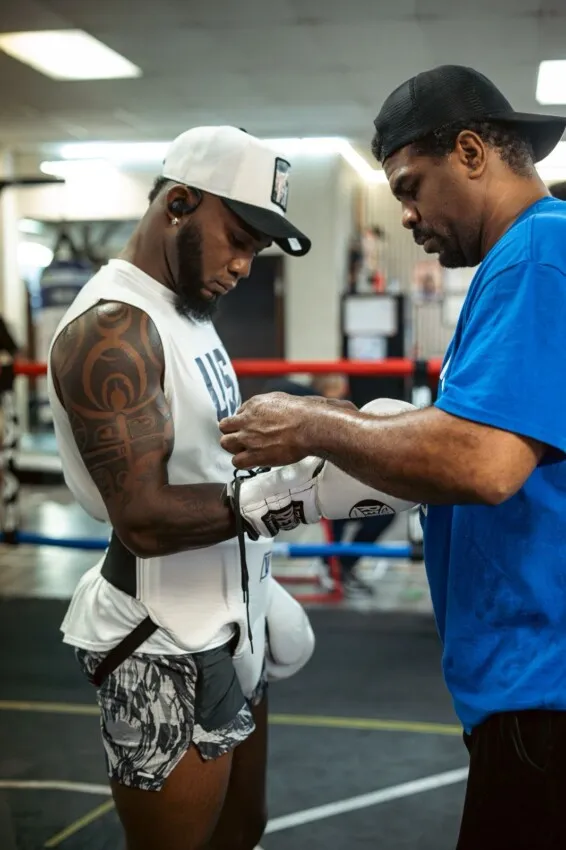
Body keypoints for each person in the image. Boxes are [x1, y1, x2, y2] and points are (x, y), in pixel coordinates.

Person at [218, 66, 566, 849]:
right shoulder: (520, 261)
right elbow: (476, 435)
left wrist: (315, 425)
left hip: (543, 690)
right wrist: (356, 425)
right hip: (525, 684)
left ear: (472, 152)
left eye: (411, 187)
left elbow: (480, 462)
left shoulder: (539, 254)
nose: (404, 214)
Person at [47, 125, 314, 850]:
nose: (243, 264)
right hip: (159, 638)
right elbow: (144, 517)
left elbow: (204, 465)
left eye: (255, 248)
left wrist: (313, 435)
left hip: (232, 610)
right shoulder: (113, 328)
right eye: (236, 236)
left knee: (240, 830)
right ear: (178, 202)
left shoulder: (189, 313)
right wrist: (297, 499)